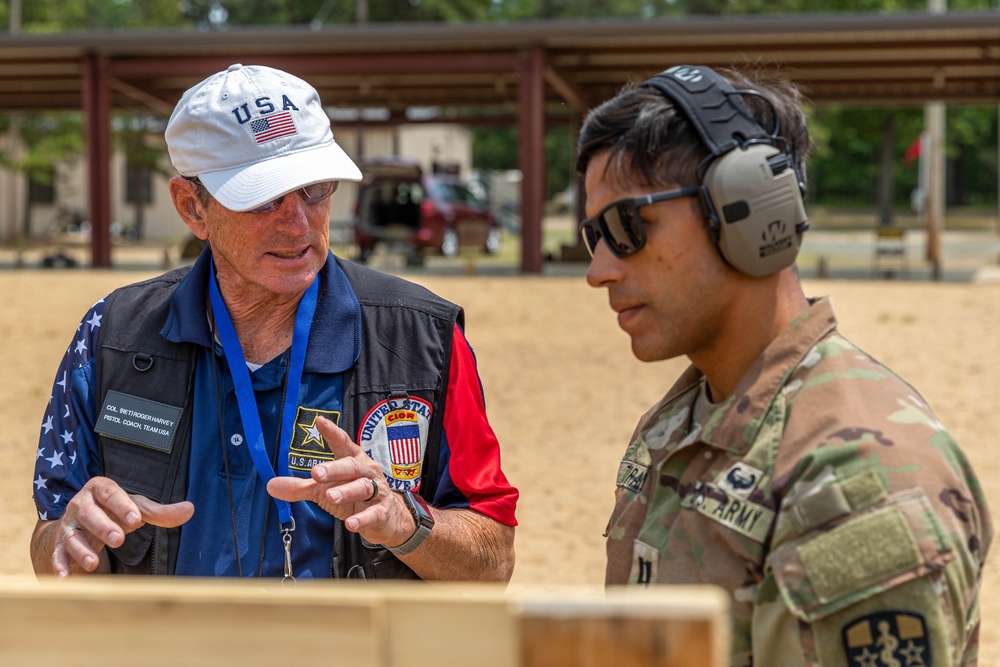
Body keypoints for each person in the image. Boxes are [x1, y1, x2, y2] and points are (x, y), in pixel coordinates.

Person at [30, 63, 518, 583]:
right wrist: (69, 539)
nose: (298, 224)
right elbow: (48, 541)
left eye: (316, 189)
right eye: (263, 199)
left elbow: (494, 562)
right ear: (192, 208)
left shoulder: (426, 339)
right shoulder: (110, 336)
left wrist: (405, 521)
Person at [576, 64, 991, 666]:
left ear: (750, 209)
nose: (599, 270)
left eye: (626, 226)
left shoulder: (857, 479)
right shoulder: (680, 420)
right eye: (595, 235)